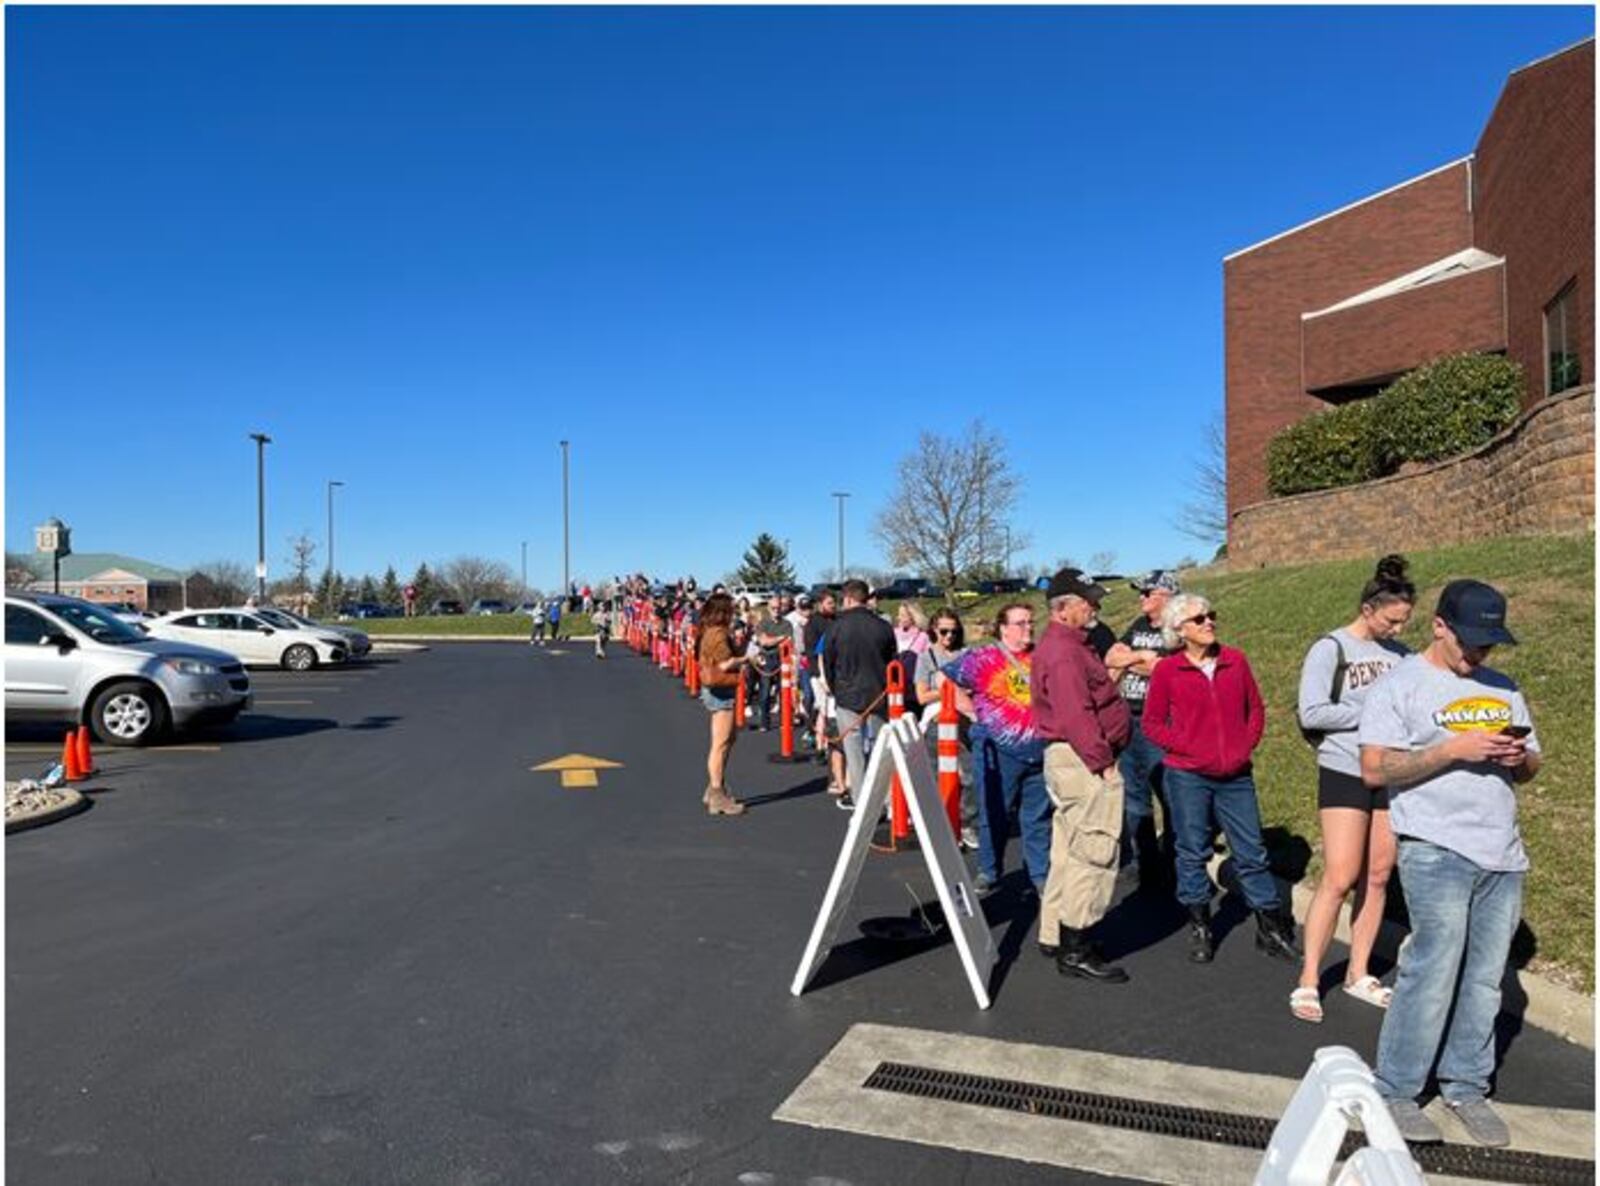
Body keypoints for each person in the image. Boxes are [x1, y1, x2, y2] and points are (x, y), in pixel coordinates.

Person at [1360, 580, 1540, 1148]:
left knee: (1486, 981)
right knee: (1432, 970)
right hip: (1434, 847)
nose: (1480, 654)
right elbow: (1373, 770)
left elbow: (1533, 765)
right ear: (1439, 626)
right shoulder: (1400, 686)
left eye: (1490, 644)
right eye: (1472, 642)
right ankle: (1395, 1088)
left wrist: (1519, 756)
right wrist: (1449, 750)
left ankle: (1466, 1085)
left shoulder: (1503, 686)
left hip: (1502, 852)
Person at [1142, 593, 1298, 964]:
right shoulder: (1167, 671)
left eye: (1211, 616)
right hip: (1188, 777)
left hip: (1236, 775)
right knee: (1192, 849)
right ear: (1180, 629)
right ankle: (1200, 925)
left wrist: (1244, 746)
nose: (1209, 622)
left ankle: (1270, 927)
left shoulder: (1235, 661)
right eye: (1199, 619)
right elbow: (1151, 724)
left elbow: (1255, 709)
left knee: (1252, 851)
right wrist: (1189, 747)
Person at [1292, 555, 1416, 1024]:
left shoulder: (1403, 656)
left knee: (1380, 873)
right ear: (1368, 609)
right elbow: (1313, 712)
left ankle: (1359, 971)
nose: (1398, 629)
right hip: (1343, 767)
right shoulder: (1331, 648)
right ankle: (1308, 977)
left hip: (1393, 771)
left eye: (1405, 621)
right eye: (1391, 620)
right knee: (1340, 876)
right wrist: (1372, 716)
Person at [1032, 569, 1133, 982]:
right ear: (1064, 607)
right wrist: (1101, 761)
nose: (1095, 607)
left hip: (1073, 759)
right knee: (1094, 850)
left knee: (1069, 850)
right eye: (1088, 600)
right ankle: (1076, 947)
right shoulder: (1064, 652)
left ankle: (1056, 933)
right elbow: (1076, 713)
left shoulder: (1071, 645)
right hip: (1083, 760)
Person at [944, 602, 1049, 897]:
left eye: (1030, 622)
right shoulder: (982, 657)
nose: (1027, 627)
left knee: (1038, 818)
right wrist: (975, 713)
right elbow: (948, 682)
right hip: (997, 751)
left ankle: (1040, 875)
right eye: (1020, 623)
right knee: (994, 813)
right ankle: (989, 871)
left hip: (1039, 749)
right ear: (1003, 628)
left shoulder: (1042, 657)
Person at [1104, 570, 1182, 889]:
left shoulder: (1177, 630)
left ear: (1166, 597)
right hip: (1130, 723)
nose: (1141, 598)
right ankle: (1145, 862)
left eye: (1147, 593)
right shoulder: (1138, 627)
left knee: (1171, 796)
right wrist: (1139, 657)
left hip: (1161, 724)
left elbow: (1164, 669)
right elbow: (1111, 655)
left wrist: (1131, 662)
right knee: (1135, 797)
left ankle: (1175, 862)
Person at [824, 579, 899, 809]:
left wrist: (836, 689)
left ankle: (861, 802)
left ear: (847, 599)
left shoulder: (836, 627)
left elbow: (829, 663)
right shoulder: (883, 626)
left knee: (854, 753)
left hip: (847, 694)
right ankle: (885, 801)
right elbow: (892, 660)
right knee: (880, 750)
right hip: (878, 692)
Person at [915, 608, 978, 850]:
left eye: (954, 631)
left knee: (971, 776)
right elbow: (921, 696)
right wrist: (948, 689)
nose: (949, 636)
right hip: (937, 719)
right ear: (933, 630)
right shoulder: (926, 658)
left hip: (964, 719)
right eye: (943, 631)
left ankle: (966, 822)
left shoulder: (967, 654)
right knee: (938, 778)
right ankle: (941, 827)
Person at [697, 592, 752, 817]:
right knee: (721, 742)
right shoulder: (718, 635)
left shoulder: (711, 632)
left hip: (717, 689)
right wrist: (744, 659)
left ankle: (714, 787)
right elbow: (725, 663)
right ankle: (717, 792)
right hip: (720, 690)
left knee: (728, 738)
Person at [752, 599, 792, 732]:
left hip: (783, 658)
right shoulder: (763, 623)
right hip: (767, 659)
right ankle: (764, 722)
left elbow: (789, 641)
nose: (776, 610)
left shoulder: (787, 624)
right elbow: (764, 642)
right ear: (769, 609)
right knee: (765, 692)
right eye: (773, 608)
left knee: (784, 692)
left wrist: (772, 640)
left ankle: (784, 721)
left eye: (779, 608)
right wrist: (780, 638)